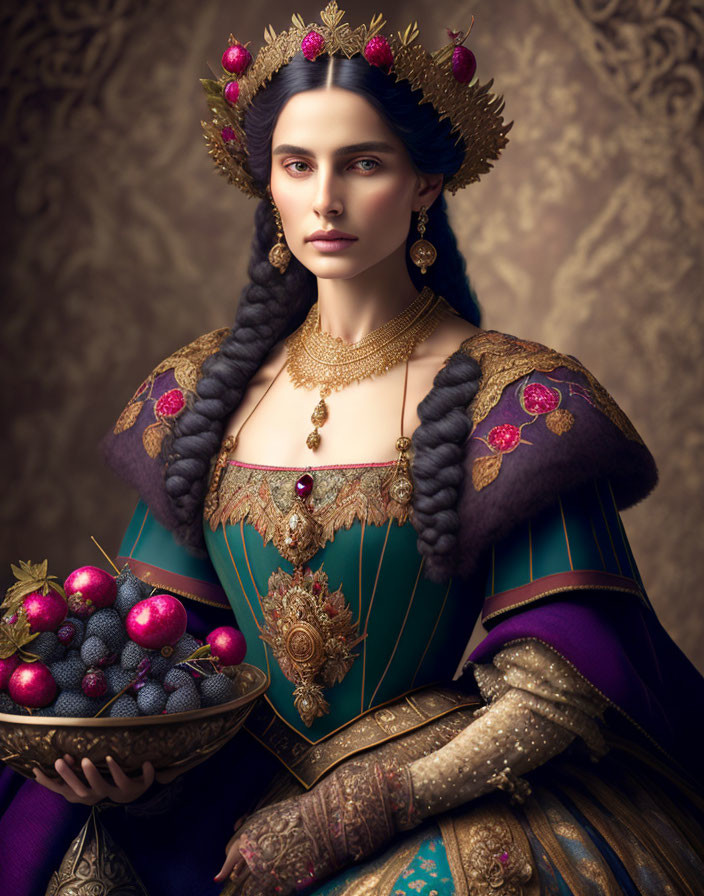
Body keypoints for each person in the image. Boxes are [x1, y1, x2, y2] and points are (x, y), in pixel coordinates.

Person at [2, 4, 703, 894]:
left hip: (439, 787)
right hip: (233, 790)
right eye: (298, 166)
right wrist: (133, 772)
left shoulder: (519, 400)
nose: (325, 200)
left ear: (424, 183)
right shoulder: (198, 393)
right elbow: (158, 653)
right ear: (271, 185)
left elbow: (558, 687)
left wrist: (362, 809)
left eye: (363, 164)